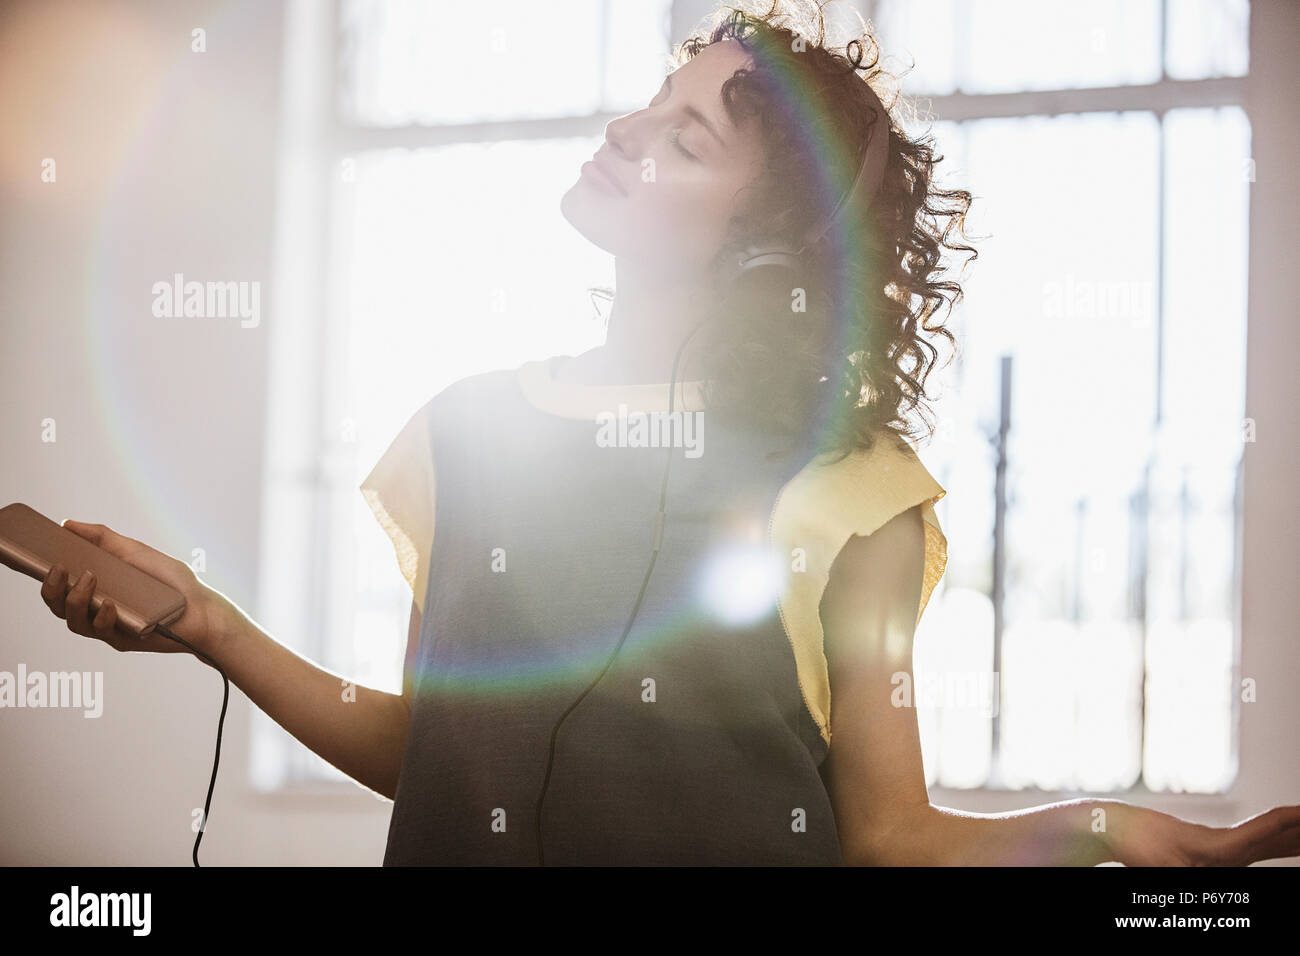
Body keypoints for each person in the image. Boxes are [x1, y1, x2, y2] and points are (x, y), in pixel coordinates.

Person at [37, 0, 1300, 865]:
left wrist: (1100, 832)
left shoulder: (850, 487)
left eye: (683, 137)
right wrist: (210, 623)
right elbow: (427, 750)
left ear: (759, 250)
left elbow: (887, 835)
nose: (624, 132)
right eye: (652, 102)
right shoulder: (463, 431)